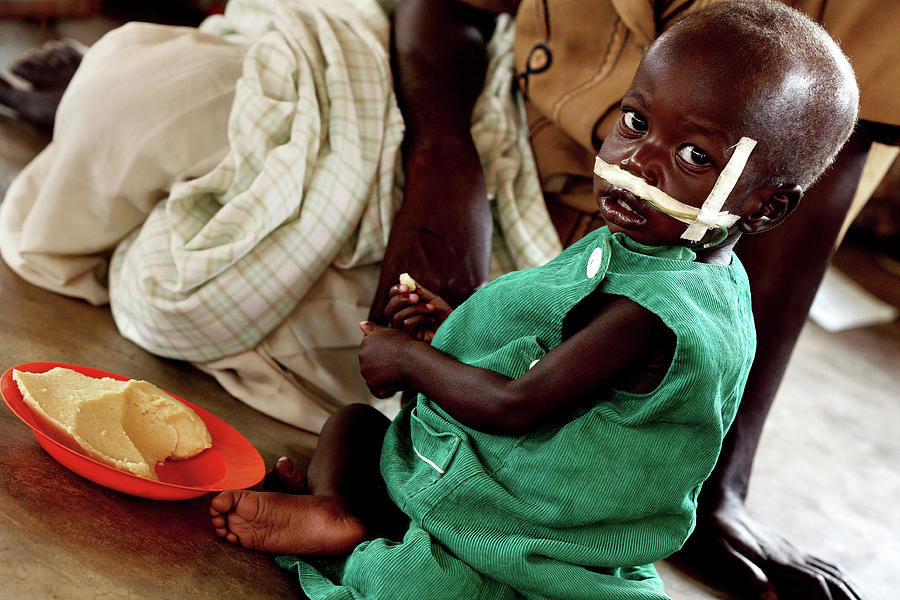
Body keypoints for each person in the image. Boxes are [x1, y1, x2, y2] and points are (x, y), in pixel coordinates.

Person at [0, 0, 895, 597]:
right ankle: (350, 505)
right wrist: (452, 304)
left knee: (426, 585)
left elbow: (516, 404)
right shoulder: (639, 240)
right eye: (634, 123)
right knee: (350, 425)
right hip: (469, 117)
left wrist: (410, 358)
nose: (638, 164)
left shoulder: (654, 302)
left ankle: (353, 537)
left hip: (511, 501)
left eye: (695, 158)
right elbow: (531, 327)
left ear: (765, 205)